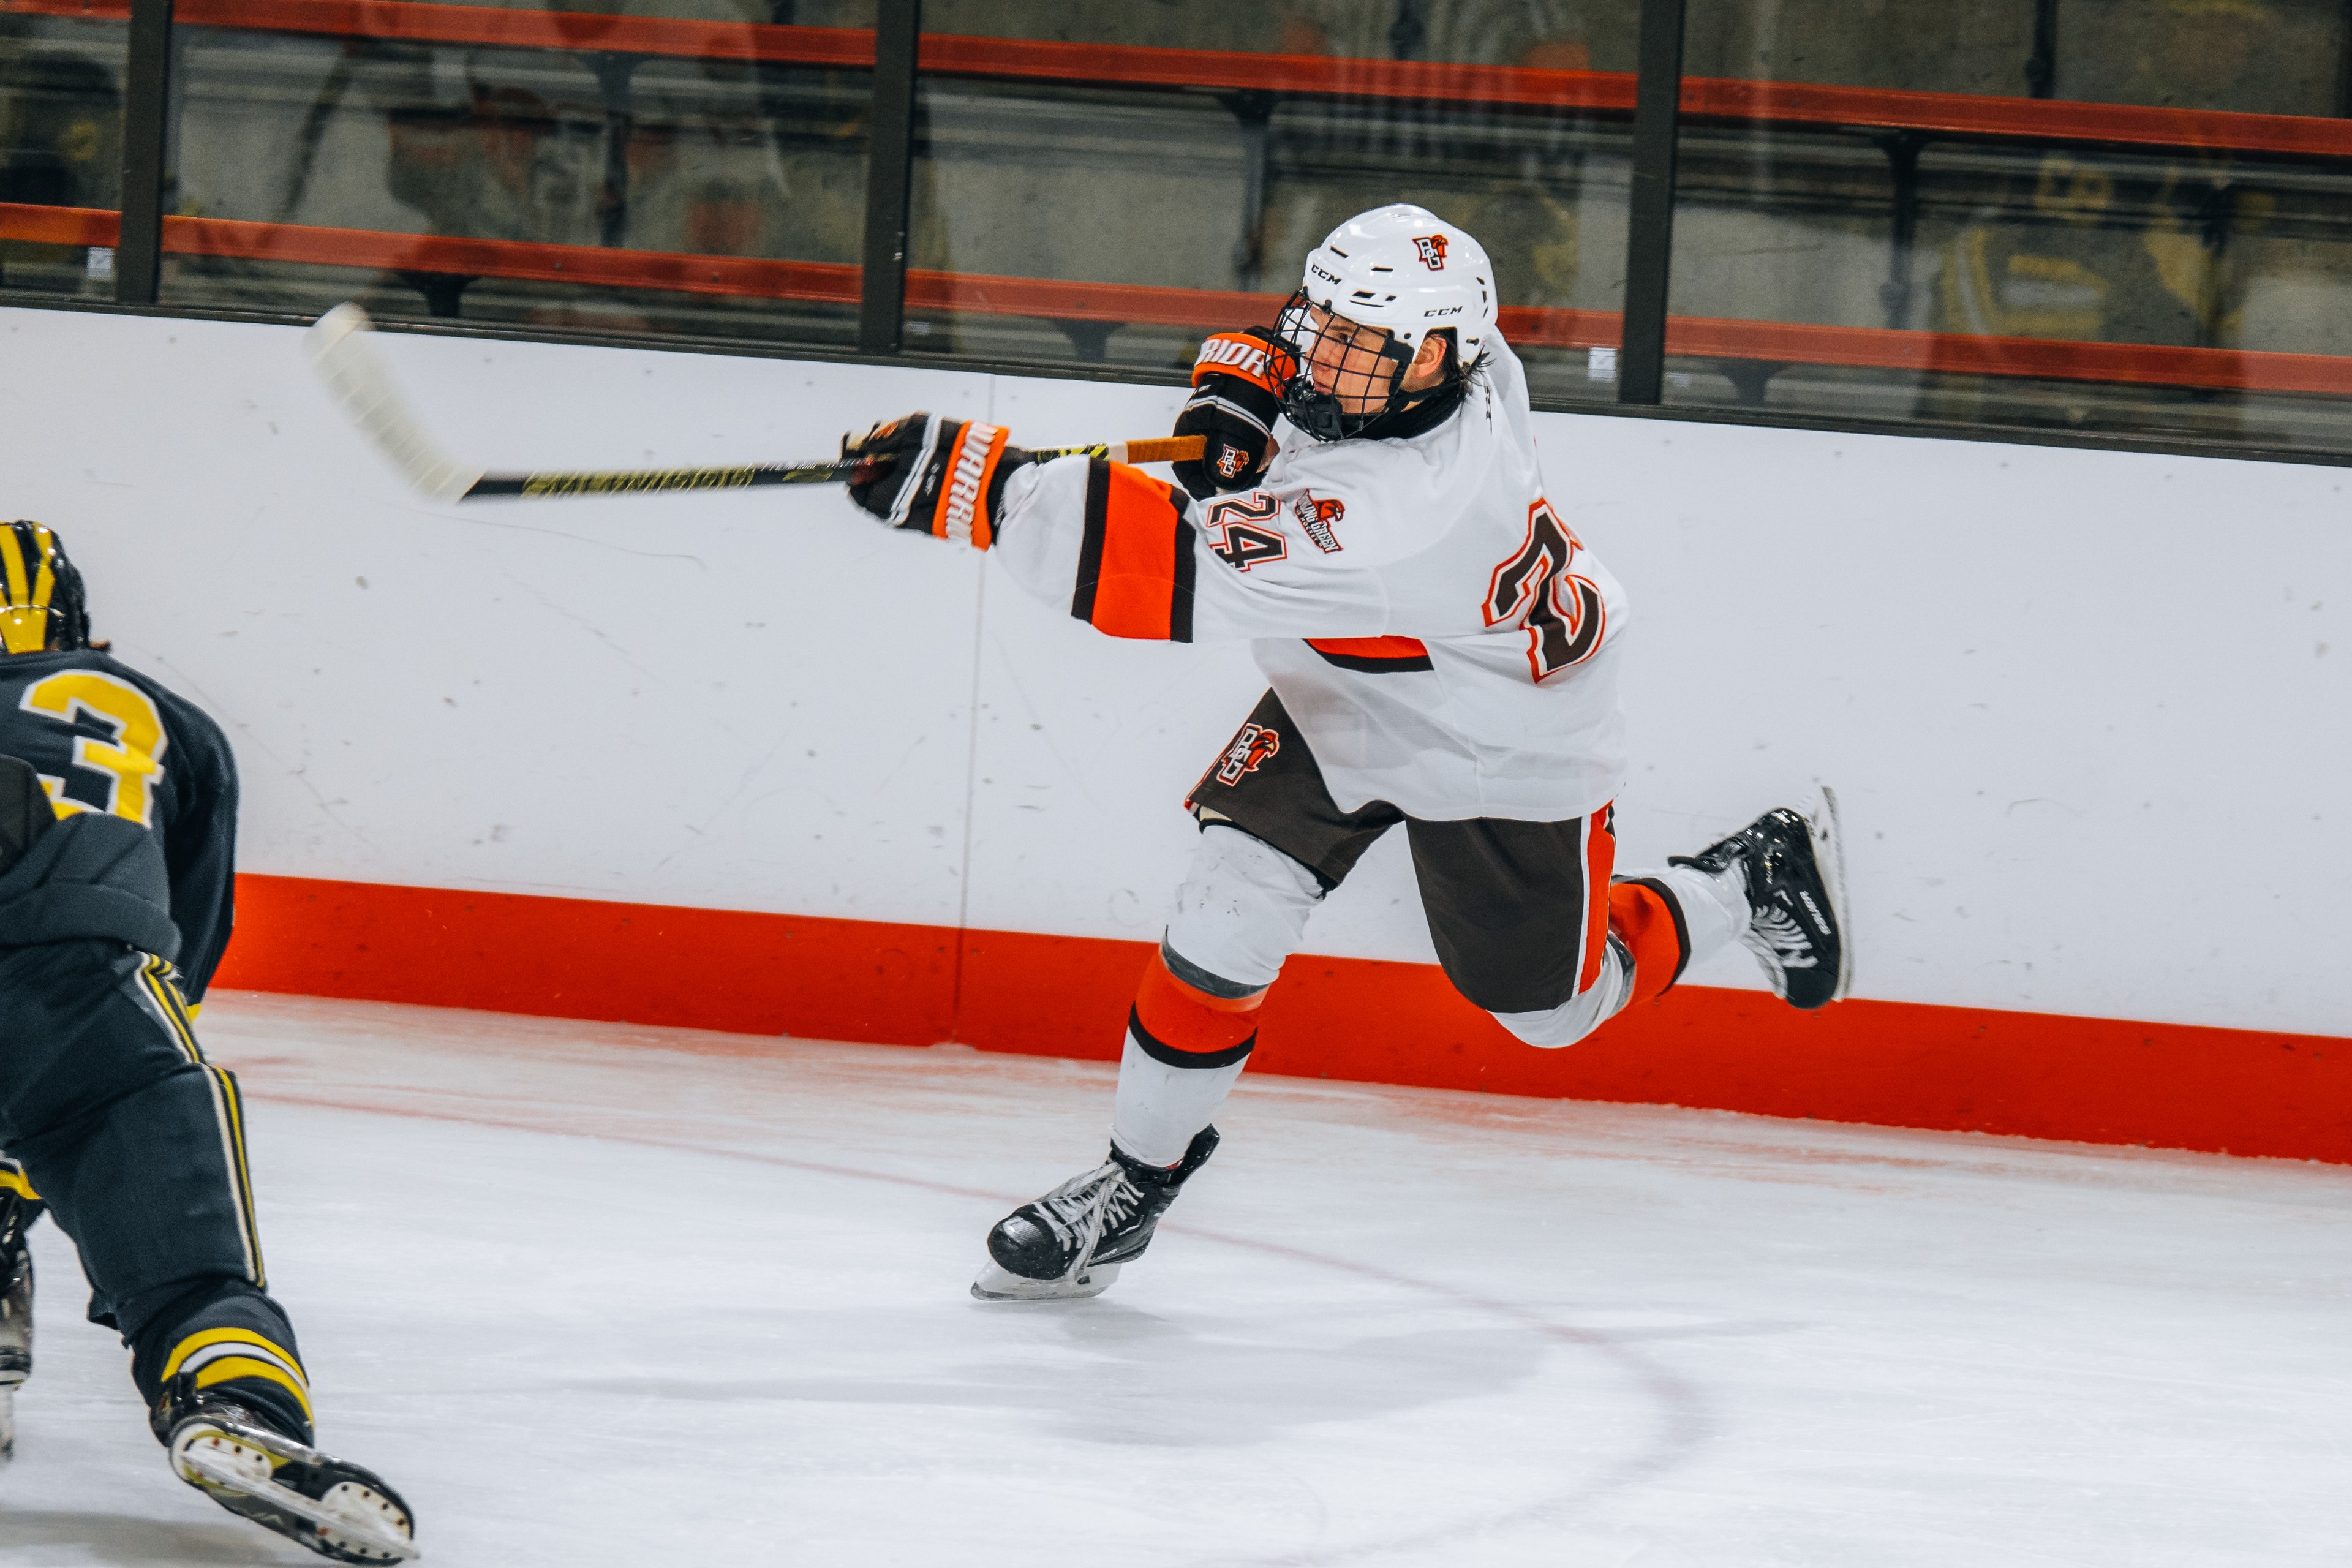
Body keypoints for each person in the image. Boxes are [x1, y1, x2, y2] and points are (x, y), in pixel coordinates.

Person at [838, 205, 1851, 1302]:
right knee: (1228, 902)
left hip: (1501, 743)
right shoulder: (1468, 357)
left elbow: (1157, 570)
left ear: (1431, 358)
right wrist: (1235, 391)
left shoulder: (1404, 512)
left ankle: (1740, 881)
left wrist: (984, 491)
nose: (1328, 358)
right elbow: (1286, 341)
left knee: (1550, 1012)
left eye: (1360, 349)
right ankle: (1132, 1187)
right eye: (1328, 331)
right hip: (1349, 683)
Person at [0, 521, 415, 1561]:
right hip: (82, 976)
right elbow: (185, 940)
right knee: (188, 1278)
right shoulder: (167, 721)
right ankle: (233, 1406)